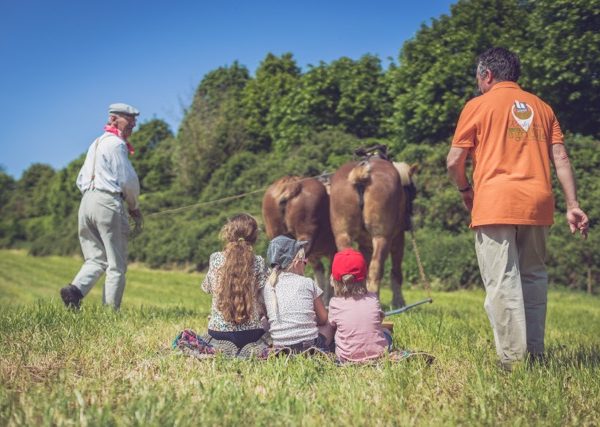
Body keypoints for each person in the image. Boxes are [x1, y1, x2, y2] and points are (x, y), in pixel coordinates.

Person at [446, 47, 589, 370]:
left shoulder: (477, 105)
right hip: (537, 203)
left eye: (478, 78)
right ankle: (535, 353)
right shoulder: (542, 107)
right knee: (534, 277)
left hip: (495, 202)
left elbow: (454, 160)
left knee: (502, 280)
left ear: (488, 75)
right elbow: (561, 159)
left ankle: (512, 359)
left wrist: (465, 188)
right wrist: (573, 204)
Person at [60, 103, 143, 310]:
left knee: (95, 259)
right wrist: (134, 207)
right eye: (128, 118)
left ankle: (75, 291)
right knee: (117, 264)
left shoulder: (95, 144)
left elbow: (80, 179)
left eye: (134, 119)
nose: (133, 123)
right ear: (114, 119)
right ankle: (109, 313)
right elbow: (128, 180)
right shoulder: (116, 144)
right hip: (107, 202)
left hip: (86, 202)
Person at [200, 214, 268, 355]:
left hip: (218, 333)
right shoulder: (259, 262)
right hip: (251, 334)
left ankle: (223, 348)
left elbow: (207, 288)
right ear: (255, 236)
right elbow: (264, 297)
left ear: (227, 233)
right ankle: (250, 349)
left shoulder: (215, 258)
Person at [262, 235, 329, 353]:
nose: (306, 262)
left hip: (281, 350)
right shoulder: (307, 282)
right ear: (296, 262)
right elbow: (323, 319)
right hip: (309, 348)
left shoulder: (268, 287)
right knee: (329, 325)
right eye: (304, 261)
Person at [328, 248, 392, 363]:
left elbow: (332, 325)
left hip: (346, 357)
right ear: (365, 277)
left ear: (333, 280)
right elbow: (378, 319)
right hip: (379, 354)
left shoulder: (335, 303)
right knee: (386, 333)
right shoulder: (373, 298)